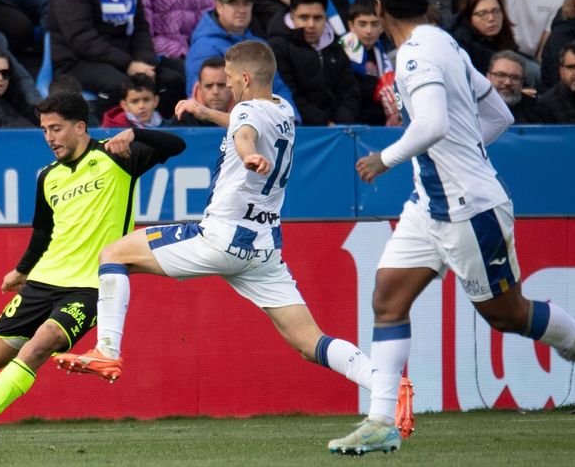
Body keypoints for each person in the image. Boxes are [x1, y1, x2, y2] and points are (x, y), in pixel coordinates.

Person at [339, 0, 575, 454]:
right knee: (387, 299)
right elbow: (499, 114)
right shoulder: (443, 42)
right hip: (430, 203)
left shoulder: (415, 56)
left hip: (467, 208)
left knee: (506, 314)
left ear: (379, 7)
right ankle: (381, 421)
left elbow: (432, 125)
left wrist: (385, 159)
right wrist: (461, 154)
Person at [57, 37, 383, 418]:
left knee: (114, 254)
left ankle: (107, 351)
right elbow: (243, 123)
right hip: (263, 250)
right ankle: (386, 384)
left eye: (228, 78)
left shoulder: (247, 115)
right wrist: (203, 111)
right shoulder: (282, 110)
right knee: (310, 342)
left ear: (244, 79)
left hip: (222, 237)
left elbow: (244, 135)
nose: (226, 85)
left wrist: (249, 156)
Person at [0, 88, 184, 446]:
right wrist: (22, 270)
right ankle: (47, 343)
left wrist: (135, 133)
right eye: (44, 130)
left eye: (55, 129)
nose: (49, 138)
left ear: (80, 127)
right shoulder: (48, 176)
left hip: (90, 286)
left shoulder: (116, 155)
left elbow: (177, 145)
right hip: (44, 280)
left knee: (37, 347)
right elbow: (43, 231)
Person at [487, 49, 546, 123]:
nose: (508, 82)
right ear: (488, 76)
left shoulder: (535, 109)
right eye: (501, 75)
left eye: (515, 77)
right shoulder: (475, 105)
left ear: (522, 82)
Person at [98, 73, 164, 128]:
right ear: (125, 105)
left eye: (146, 100)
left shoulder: (164, 124)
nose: (141, 106)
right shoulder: (113, 127)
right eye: (135, 101)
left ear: (155, 101)